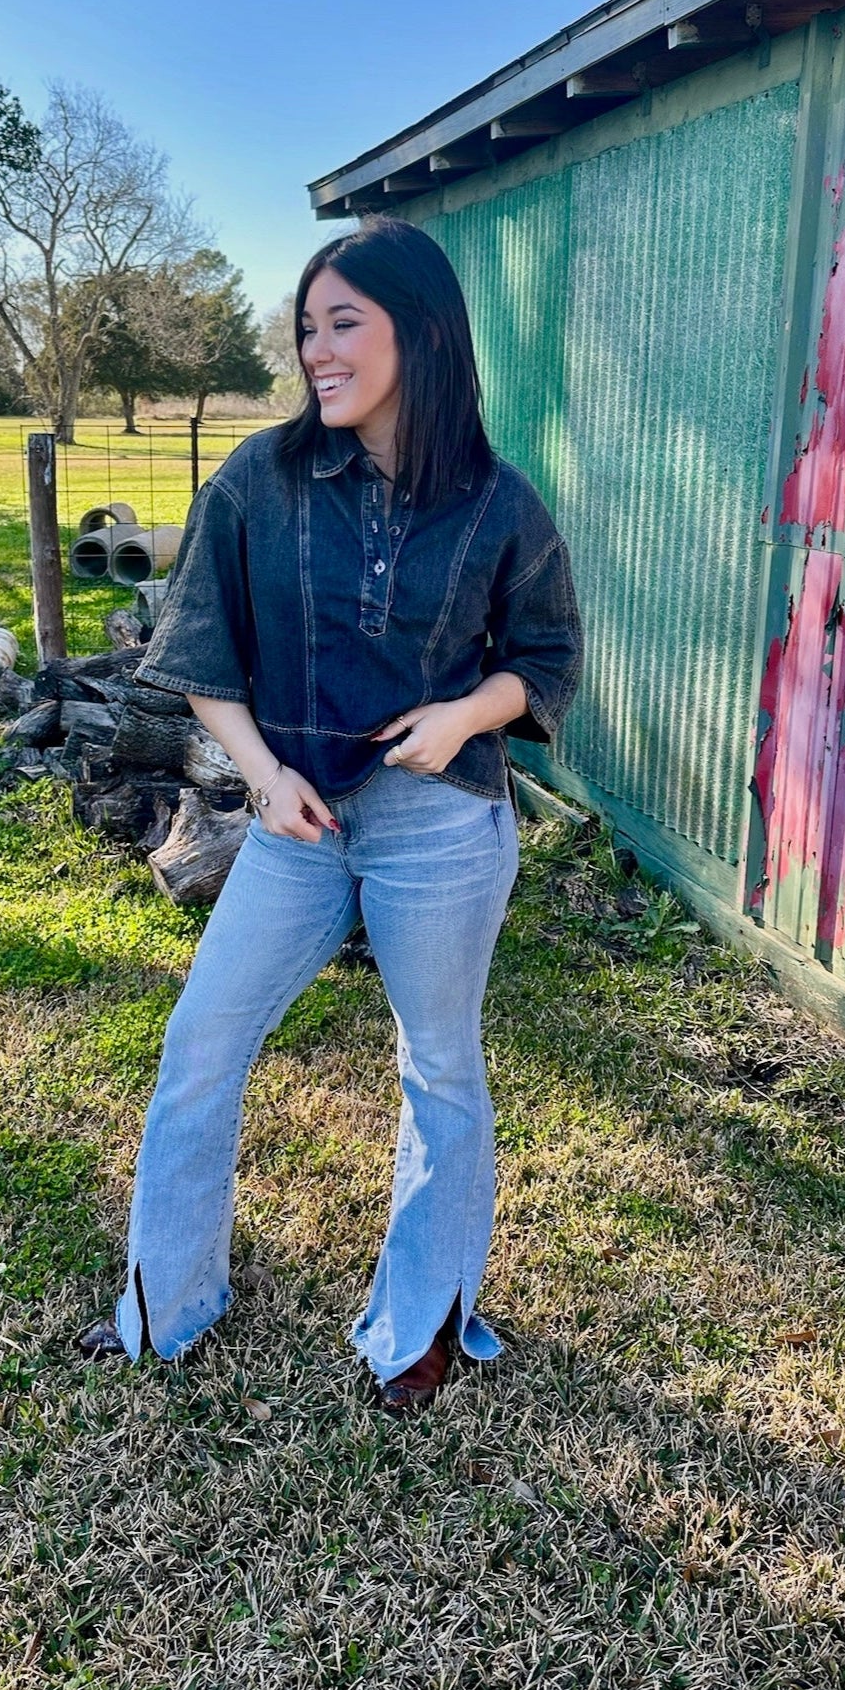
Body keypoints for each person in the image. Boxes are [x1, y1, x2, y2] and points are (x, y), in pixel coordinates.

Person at [81, 216, 582, 1414]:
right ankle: (164, 1303)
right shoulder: (259, 478)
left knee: (439, 1065)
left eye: (341, 322)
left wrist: (465, 716)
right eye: (307, 327)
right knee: (203, 1040)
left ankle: (424, 1324)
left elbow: (544, 659)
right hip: (293, 823)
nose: (317, 348)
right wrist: (259, 774)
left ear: (419, 331)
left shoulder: (499, 503)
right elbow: (198, 648)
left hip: (441, 826)